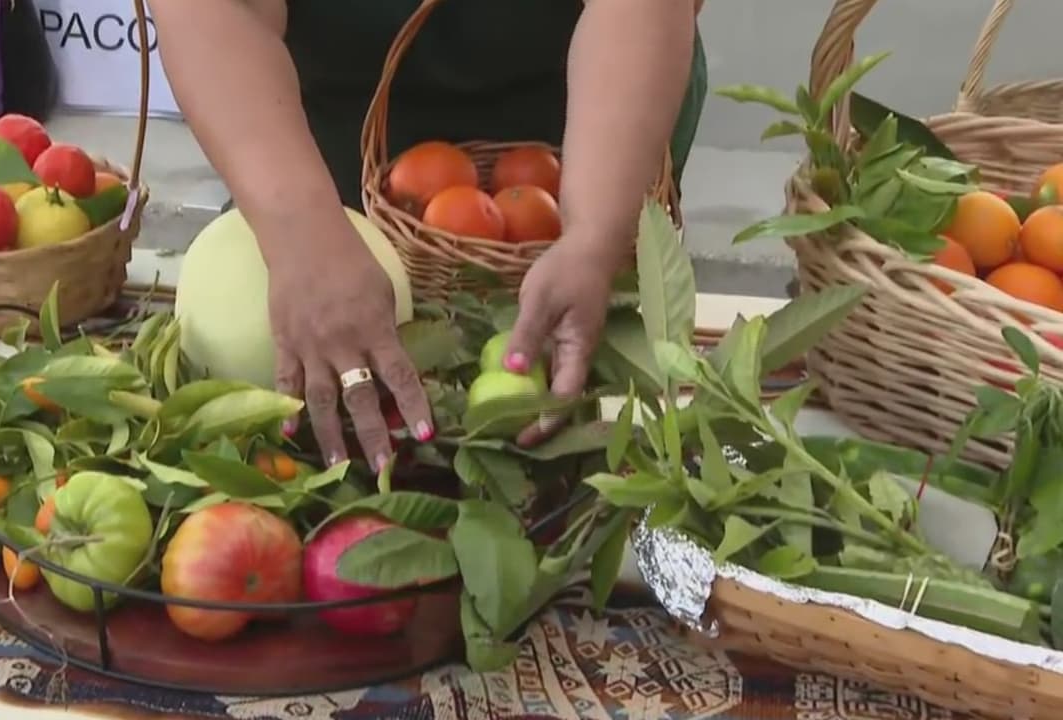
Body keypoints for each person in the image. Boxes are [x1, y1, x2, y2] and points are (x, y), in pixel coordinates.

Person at [149, 0, 707, 470]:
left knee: (593, 442)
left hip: (583, 134)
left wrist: (593, 237)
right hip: (315, 138)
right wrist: (299, 233)